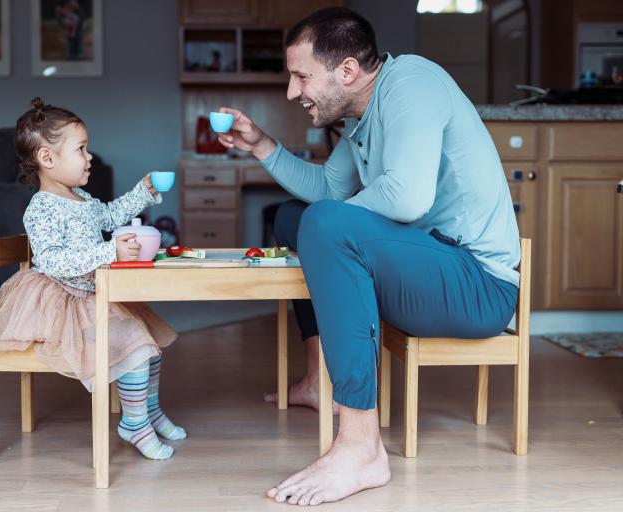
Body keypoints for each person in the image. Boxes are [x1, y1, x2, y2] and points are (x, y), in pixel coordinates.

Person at [218, 7, 520, 506]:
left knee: (324, 225)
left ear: (348, 71)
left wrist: (330, 230)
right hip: (429, 268)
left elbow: (406, 199)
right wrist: (262, 147)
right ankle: (320, 380)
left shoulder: (412, 83)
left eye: (300, 76)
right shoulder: (363, 115)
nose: (293, 93)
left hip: (478, 285)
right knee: (297, 217)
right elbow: (326, 189)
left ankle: (361, 446)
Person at [0, 97, 186, 460]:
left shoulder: (82, 198)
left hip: (94, 293)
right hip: (63, 301)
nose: (89, 156)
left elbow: (109, 216)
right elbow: (54, 261)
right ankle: (133, 424)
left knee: (151, 351)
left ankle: (148, 412)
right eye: (80, 149)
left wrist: (143, 192)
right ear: (47, 159)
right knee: (137, 348)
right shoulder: (42, 207)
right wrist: (109, 253)